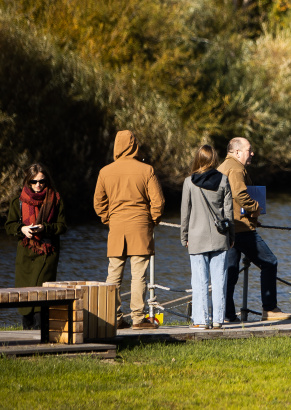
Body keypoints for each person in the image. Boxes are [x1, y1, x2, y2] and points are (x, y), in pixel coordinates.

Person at [94, 130, 165, 330]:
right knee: (138, 275)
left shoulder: (105, 171)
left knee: (113, 274)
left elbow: (98, 203)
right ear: (134, 146)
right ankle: (137, 318)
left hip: (116, 227)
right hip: (141, 227)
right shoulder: (146, 170)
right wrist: (152, 220)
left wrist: (109, 219)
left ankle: (112, 317)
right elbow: (158, 201)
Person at [220, 137, 291, 322]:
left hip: (228, 227)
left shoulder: (223, 167)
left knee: (230, 271)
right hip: (241, 230)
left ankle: (227, 314)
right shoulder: (235, 168)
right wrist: (256, 208)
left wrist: (250, 217)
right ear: (237, 152)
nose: (252, 154)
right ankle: (269, 309)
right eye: (249, 150)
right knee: (269, 262)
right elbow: (240, 194)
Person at [5, 164, 67, 330]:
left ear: (47, 181)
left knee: (42, 292)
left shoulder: (56, 200)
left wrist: (44, 228)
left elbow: (62, 226)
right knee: (25, 292)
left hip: (48, 252)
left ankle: (41, 331)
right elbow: (9, 226)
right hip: (26, 254)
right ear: (27, 182)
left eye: (42, 181)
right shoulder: (17, 202)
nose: (38, 185)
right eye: (34, 181)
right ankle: (27, 329)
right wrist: (22, 229)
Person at [180, 144, 234, 329]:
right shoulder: (224, 180)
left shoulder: (189, 182)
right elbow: (229, 213)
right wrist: (231, 236)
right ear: (214, 160)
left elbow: (185, 214)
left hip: (196, 237)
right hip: (220, 237)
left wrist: (183, 236)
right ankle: (218, 320)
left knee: (199, 281)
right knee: (219, 280)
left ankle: (201, 320)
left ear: (198, 159)